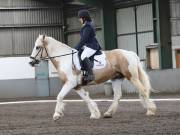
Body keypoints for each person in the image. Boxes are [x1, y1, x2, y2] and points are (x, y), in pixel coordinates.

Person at [74, 9, 102, 83]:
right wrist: (78, 48)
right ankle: (84, 72)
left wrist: (76, 48)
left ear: (84, 18)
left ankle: (90, 74)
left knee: (83, 56)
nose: (79, 20)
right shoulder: (86, 25)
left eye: (80, 18)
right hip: (88, 45)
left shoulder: (88, 26)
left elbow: (83, 39)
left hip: (92, 46)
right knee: (79, 53)